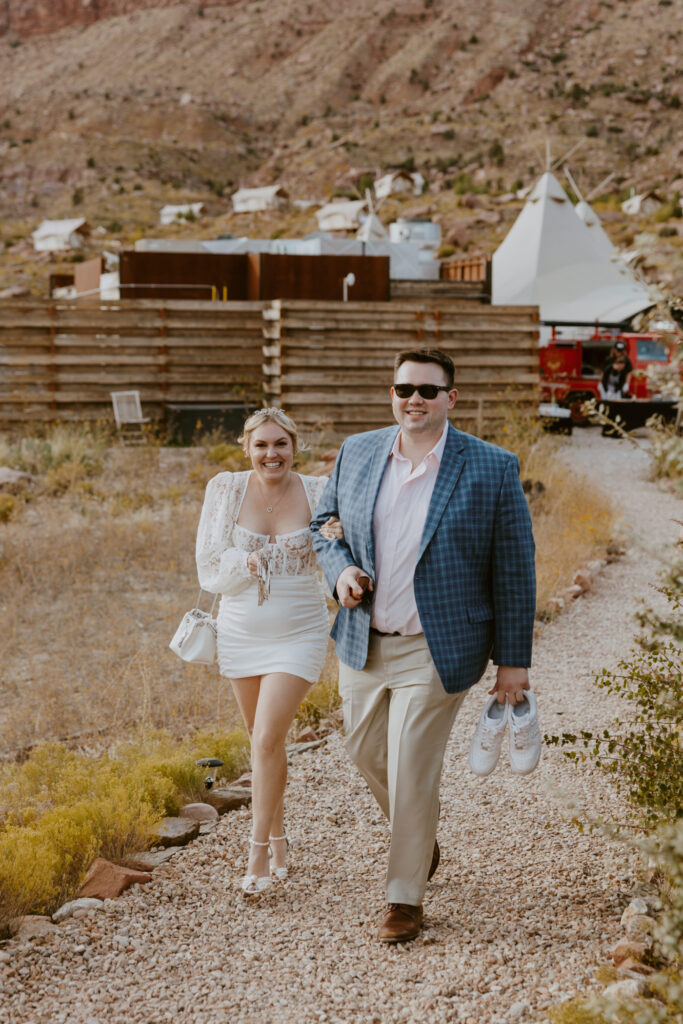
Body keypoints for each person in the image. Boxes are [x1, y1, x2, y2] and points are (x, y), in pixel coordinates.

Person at [311, 348, 536, 943]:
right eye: (403, 387)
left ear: (451, 399)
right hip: (363, 640)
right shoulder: (357, 451)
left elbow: (515, 569)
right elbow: (323, 523)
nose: (414, 398)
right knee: (363, 752)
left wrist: (514, 661)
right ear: (392, 393)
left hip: (439, 647)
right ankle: (421, 839)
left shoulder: (491, 467)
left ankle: (403, 899)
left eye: (428, 391)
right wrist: (340, 572)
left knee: (412, 766)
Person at [195, 408, 341, 896]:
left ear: (293, 446)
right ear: (246, 447)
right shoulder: (226, 489)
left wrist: (340, 541)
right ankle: (279, 837)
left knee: (265, 740)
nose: (271, 454)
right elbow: (208, 566)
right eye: (261, 445)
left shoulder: (320, 490)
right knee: (263, 743)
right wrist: (245, 558)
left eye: (280, 444)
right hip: (240, 630)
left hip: (299, 629)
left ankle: (255, 855)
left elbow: (344, 550)